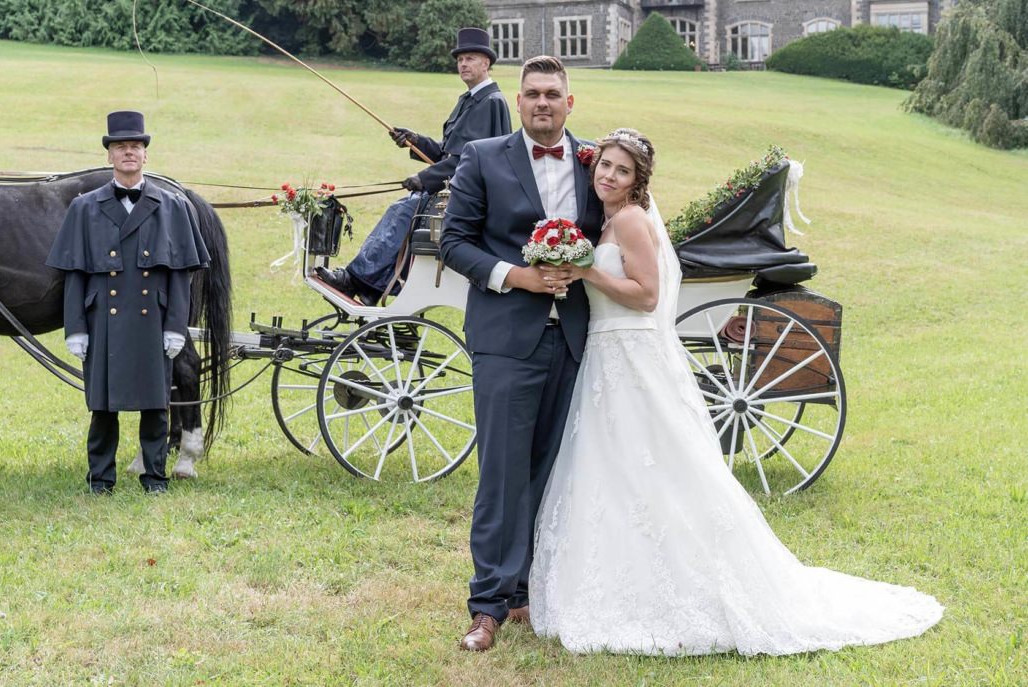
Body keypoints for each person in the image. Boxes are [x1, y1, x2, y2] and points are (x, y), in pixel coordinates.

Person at [528, 129, 945, 655]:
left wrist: (588, 268)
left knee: (651, 466)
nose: (607, 175)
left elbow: (647, 295)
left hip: (630, 355)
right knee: (615, 468)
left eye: (621, 170)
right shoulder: (609, 219)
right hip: (606, 356)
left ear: (638, 181)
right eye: (604, 165)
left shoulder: (631, 220)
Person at [440, 55, 603, 652]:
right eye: (532, 93)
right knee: (502, 474)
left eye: (552, 94)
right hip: (507, 338)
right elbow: (452, 242)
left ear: (569, 102)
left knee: (553, 471)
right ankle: (487, 604)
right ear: (519, 98)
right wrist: (516, 276)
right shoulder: (483, 158)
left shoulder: (593, 163)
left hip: (577, 337)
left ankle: (531, 592)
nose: (542, 103)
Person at [46, 111, 209, 494]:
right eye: (121, 147)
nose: (129, 153)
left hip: (153, 318)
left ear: (145, 155)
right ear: (109, 157)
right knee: (103, 406)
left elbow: (180, 273)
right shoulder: (84, 207)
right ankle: (101, 478)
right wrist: (76, 329)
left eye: (135, 146)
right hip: (103, 319)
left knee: (155, 403)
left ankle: (155, 476)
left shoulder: (172, 206)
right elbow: (75, 273)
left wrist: (175, 325)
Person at [316, 26, 511, 306]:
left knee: (403, 209)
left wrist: (423, 178)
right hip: (450, 191)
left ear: (486, 63)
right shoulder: (469, 100)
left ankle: (356, 279)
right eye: (460, 59)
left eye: (470, 58)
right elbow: (448, 154)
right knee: (404, 208)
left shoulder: (489, 102)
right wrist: (414, 140)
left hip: (464, 200)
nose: (464, 64)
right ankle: (372, 286)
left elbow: (467, 162)